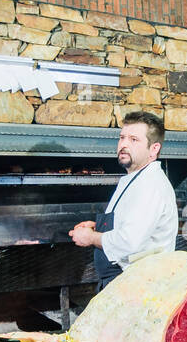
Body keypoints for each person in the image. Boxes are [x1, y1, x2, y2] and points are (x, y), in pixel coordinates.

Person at [69, 111, 178, 290]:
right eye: (122, 137)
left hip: (140, 286)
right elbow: (132, 224)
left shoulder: (151, 184)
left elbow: (130, 242)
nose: (124, 144)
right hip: (124, 282)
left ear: (154, 149)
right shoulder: (135, 178)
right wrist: (99, 227)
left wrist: (90, 237)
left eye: (134, 140)